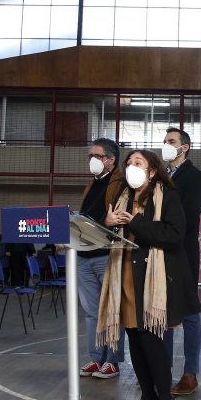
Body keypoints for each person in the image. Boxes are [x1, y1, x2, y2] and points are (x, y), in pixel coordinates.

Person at [99, 149, 200, 400]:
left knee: (151, 341)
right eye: (129, 163)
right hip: (125, 273)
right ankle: (147, 398)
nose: (131, 166)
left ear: (152, 171)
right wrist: (107, 224)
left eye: (138, 163)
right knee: (134, 339)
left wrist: (135, 221)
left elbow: (174, 235)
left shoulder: (167, 196)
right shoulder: (122, 196)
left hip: (154, 278)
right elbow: (109, 236)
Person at [161, 127, 201, 398]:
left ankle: (190, 373)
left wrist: (161, 229)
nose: (166, 145)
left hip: (183, 253)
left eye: (172, 141)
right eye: (165, 141)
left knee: (189, 312)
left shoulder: (195, 177)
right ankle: (162, 369)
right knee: (162, 313)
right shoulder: (160, 176)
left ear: (185, 147)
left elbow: (188, 218)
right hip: (159, 252)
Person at [76, 138, 128, 378]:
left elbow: (118, 216)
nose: (92, 160)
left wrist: (106, 223)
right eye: (90, 156)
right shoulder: (91, 184)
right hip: (84, 253)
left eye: (96, 156)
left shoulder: (121, 183)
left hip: (106, 253)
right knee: (91, 312)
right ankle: (96, 358)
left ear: (111, 159)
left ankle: (113, 361)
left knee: (112, 309)